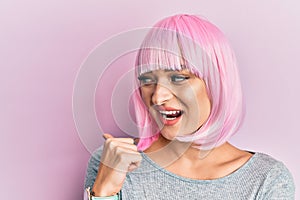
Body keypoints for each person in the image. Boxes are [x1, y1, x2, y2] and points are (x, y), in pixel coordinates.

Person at [84, 14, 295, 199]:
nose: (158, 97)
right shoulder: (111, 162)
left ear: (216, 84)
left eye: (178, 78)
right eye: (148, 80)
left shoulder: (266, 179)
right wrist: (105, 190)